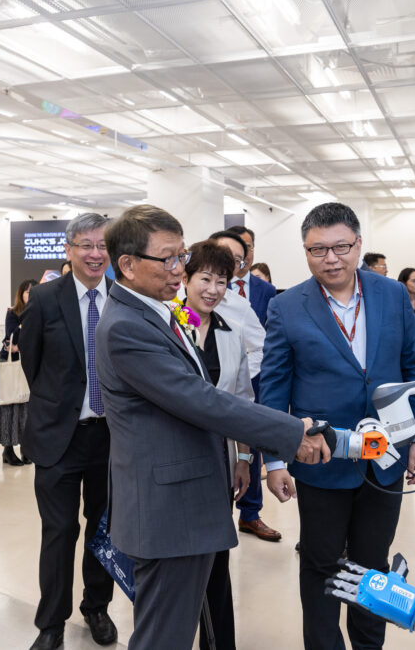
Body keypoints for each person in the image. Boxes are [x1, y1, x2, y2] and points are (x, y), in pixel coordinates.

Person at [95, 204, 330, 650]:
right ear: (127, 264)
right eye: (169, 259)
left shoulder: (156, 311)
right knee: (164, 636)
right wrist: (290, 432)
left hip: (186, 499)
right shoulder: (128, 326)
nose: (179, 269)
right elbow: (200, 400)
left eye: (181, 255)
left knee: (178, 628)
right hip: (168, 510)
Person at [260, 202, 415, 650]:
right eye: (318, 250)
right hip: (322, 458)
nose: (331, 258)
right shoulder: (286, 305)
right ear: (305, 251)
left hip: (387, 457)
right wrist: (275, 458)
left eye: (341, 246)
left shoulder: (391, 295)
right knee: (319, 564)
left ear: (359, 244)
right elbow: (275, 386)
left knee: (371, 566)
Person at [18, 214, 117, 650]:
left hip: (113, 438)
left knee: (103, 529)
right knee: (58, 532)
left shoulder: (125, 297)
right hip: (59, 436)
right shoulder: (43, 298)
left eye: (102, 245)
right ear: (69, 250)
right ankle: (51, 622)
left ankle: (97, 607)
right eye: (86, 245)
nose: (95, 254)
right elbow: (32, 363)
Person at [181, 241, 256, 650]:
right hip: (174, 463)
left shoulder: (232, 333)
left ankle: (218, 642)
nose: (212, 289)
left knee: (218, 556)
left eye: (222, 281)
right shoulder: (166, 324)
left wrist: (243, 457)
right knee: (179, 563)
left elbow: (242, 400)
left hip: (218, 463)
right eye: (205, 278)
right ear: (186, 279)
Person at [213, 228, 280, 542]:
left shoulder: (241, 303)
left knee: (243, 454)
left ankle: (248, 514)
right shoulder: (178, 304)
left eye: (237, 259)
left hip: (237, 398)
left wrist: (239, 370)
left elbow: (262, 345)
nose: (229, 264)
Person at [0, 278, 37, 466]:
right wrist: (24, 326)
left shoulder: (40, 312)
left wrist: (22, 339)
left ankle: (27, 449)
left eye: (34, 292)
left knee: (27, 409)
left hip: (29, 365)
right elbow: (11, 337)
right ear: (21, 294)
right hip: (10, 365)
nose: (30, 295)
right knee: (9, 407)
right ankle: (8, 451)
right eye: (27, 291)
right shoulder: (13, 312)